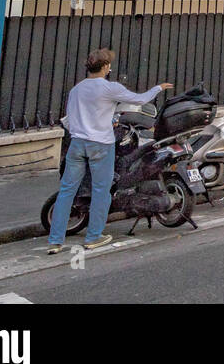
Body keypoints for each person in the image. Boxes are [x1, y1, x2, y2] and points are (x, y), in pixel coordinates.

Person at [48, 49, 173, 253]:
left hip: (77, 144)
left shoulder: (76, 90)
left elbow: (69, 120)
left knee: (67, 191)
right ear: (106, 67)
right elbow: (140, 100)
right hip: (100, 144)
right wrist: (157, 88)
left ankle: (55, 241)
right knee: (101, 191)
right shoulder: (109, 88)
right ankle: (93, 237)